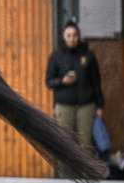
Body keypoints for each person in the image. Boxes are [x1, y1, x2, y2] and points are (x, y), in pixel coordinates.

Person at [44, 20, 105, 151]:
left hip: (86, 106)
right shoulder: (56, 56)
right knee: (64, 144)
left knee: (86, 144)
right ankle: (65, 173)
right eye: (69, 35)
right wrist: (62, 81)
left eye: (75, 35)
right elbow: (49, 81)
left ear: (79, 36)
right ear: (63, 36)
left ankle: (85, 172)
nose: (72, 39)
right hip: (64, 106)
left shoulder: (88, 55)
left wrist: (100, 105)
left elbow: (96, 82)